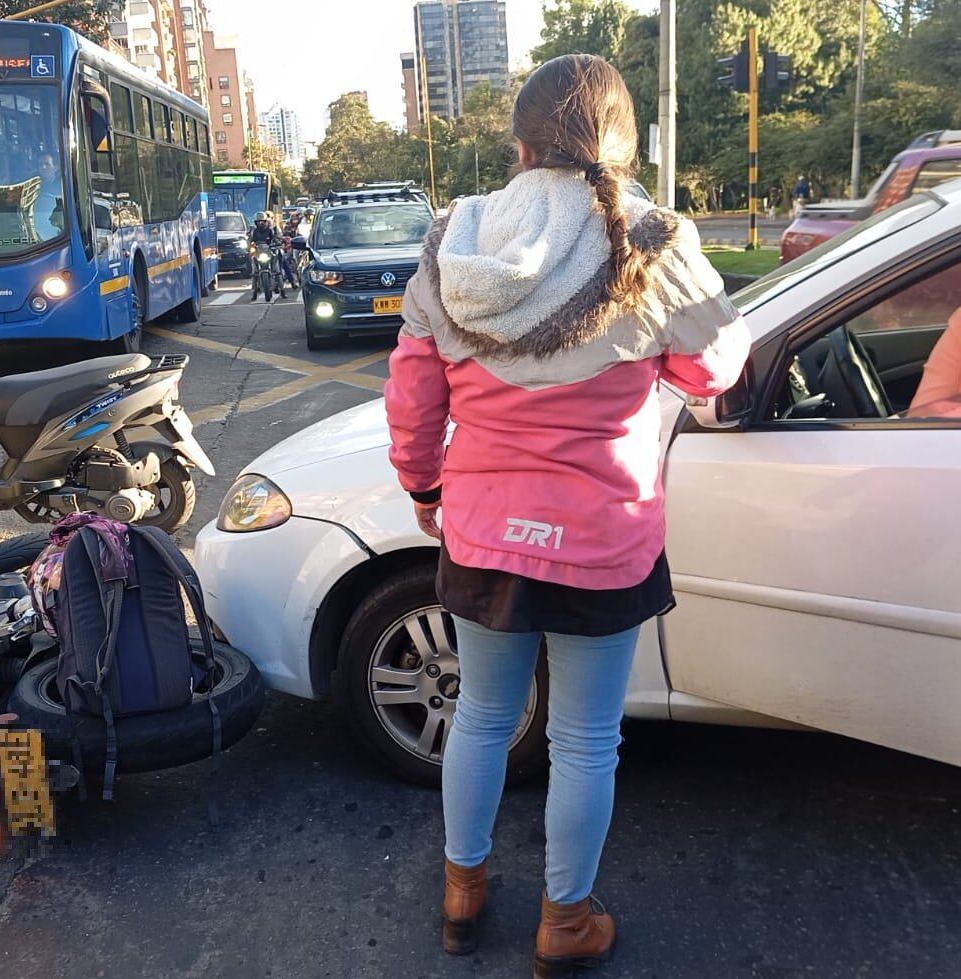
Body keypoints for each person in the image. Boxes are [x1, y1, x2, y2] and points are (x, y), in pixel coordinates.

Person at [384, 54, 750, 973]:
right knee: (586, 737)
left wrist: (423, 487)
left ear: (518, 145)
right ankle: (564, 919)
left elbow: (412, 394)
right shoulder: (650, 242)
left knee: (478, 717)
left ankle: (461, 895)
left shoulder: (451, 240)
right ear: (621, 148)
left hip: (480, 528)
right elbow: (714, 368)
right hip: (601, 538)